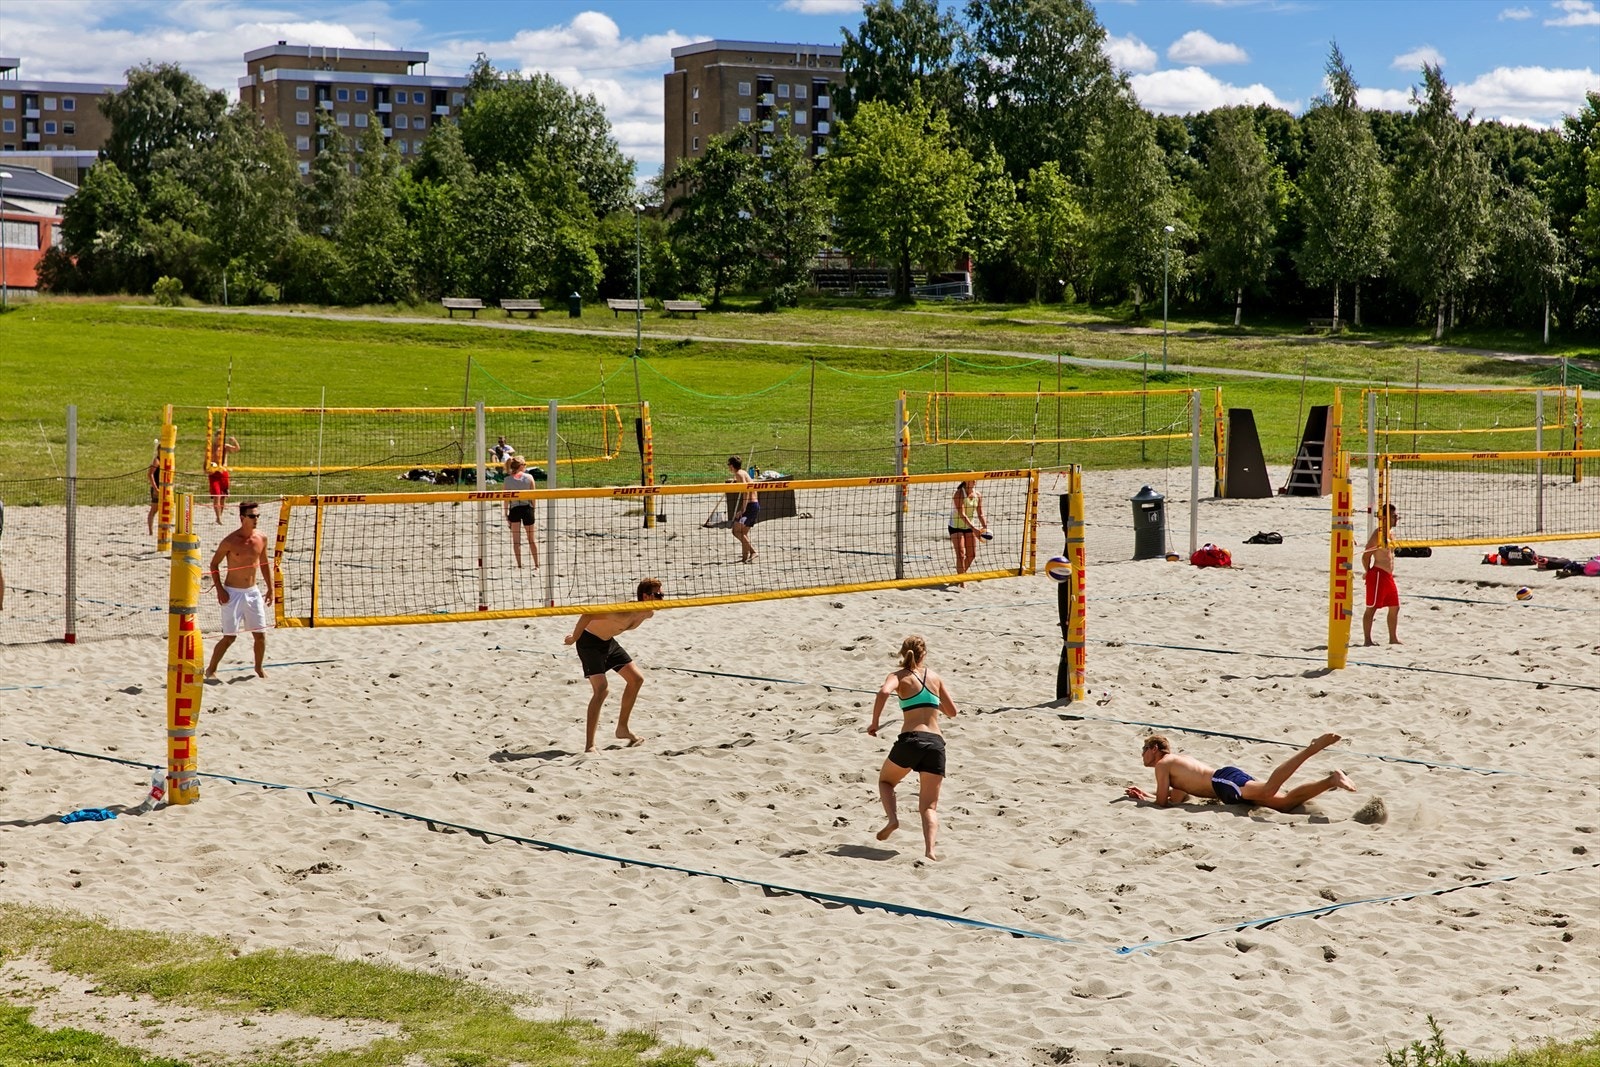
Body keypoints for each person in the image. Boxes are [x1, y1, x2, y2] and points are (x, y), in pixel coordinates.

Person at [867, 635, 959, 860]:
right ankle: (930, 851)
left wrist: (875, 722)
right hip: (936, 744)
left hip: (911, 739)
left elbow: (883, 692)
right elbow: (953, 711)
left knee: (886, 781)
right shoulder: (935, 677)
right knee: (929, 807)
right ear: (924, 654)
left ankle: (892, 819)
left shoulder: (898, 676)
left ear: (902, 652)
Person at [1125, 733, 1354, 811]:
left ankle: (1312, 748)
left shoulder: (1164, 764)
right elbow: (1178, 797)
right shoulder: (1175, 764)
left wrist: (1144, 802)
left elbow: (1163, 805)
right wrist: (1146, 796)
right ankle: (1330, 780)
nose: (1142, 755)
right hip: (1225, 784)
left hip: (1223, 782)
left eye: (1143, 749)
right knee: (1284, 804)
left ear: (1154, 749)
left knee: (1270, 789)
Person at [563, 577, 665, 752]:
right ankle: (590, 746)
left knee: (636, 679)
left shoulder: (648, 613)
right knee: (602, 689)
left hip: (608, 643)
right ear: (646, 596)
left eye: (662, 594)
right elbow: (588, 614)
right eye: (659, 594)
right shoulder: (623, 611)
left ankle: (622, 729)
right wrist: (573, 639)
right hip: (589, 643)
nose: (662, 597)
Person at [205, 501, 273, 680]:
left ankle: (259, 668)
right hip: (232, 593)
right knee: (229, 637)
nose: (256, 519)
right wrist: (220, 589)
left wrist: (271, 588)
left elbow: (264, 564)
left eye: (258, 515)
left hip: (253, 592)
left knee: (260, 635)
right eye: (252, 516)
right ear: (242, 518)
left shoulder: (262, 538)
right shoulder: (230, 541)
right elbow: (213, 564)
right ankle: (211, 669)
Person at [1363, 503, 1401, 645]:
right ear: (1385, 518)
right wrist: (1368, 572)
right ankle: (1367, 640)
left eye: (1396, 516)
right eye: (1393, 516)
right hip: (1378, 574)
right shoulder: (1378, 534)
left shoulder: (1391, 534)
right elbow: (1366, 556)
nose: (1396, 519)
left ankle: (1393, 638)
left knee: (1395, 607)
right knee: (1371, 608)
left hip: (1388, 576)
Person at [948, 479, 990, 583]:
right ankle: (962, 581)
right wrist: (974, 529)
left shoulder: (978, 495)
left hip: (969, 527)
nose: (974, 481)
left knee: (972, 555)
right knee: (961, 554)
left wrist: (985, 526)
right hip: (956, 526)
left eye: (975, 479)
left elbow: (980, 514)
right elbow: (962, 514)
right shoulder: (959, 494)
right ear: (966, 481)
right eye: (972, 479)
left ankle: (960, 576)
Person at [502, 455, 538, 569]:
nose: (526, 466)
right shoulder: (529, 477)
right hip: (527, 508)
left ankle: (519, 565)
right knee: (531, 539)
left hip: (514, 509)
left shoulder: (507, 480)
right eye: (525, 464)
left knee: (516, 541)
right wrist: (533, 509)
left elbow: (506, 499)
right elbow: (533, 497)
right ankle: (537, 565)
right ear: (521, 466)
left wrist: (505, 513)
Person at [727, 455, 758, 563]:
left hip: (750, 506)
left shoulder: (739, 474)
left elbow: (746, 490)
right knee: (743, 533)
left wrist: (743, 509)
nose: (728, 467)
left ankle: (753, 552)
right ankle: (745, 557)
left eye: (728, 465)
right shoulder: (742, 472)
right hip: (754, 505)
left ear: (732, 465)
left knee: (736, 531)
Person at [208, 431, 240, 525]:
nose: (220, 438)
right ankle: (218, 517)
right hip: (214, 473)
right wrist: (208, 467)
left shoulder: (225, 446)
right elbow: (206, 459)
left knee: (223, 497)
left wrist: (234, 441)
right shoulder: (211, 447)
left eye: (221, 436)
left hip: (223, 474)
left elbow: (237, 449)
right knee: (216, 496)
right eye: (218, 436)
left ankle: (220, 517)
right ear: (215, 437)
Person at [146, 440, 162, 536]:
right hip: (157, 488)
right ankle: (151, 531)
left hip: (165, 489)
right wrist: (155, 488)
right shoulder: (157, 460)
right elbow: (150, 474)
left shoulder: (167, 460)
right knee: (154, 510)